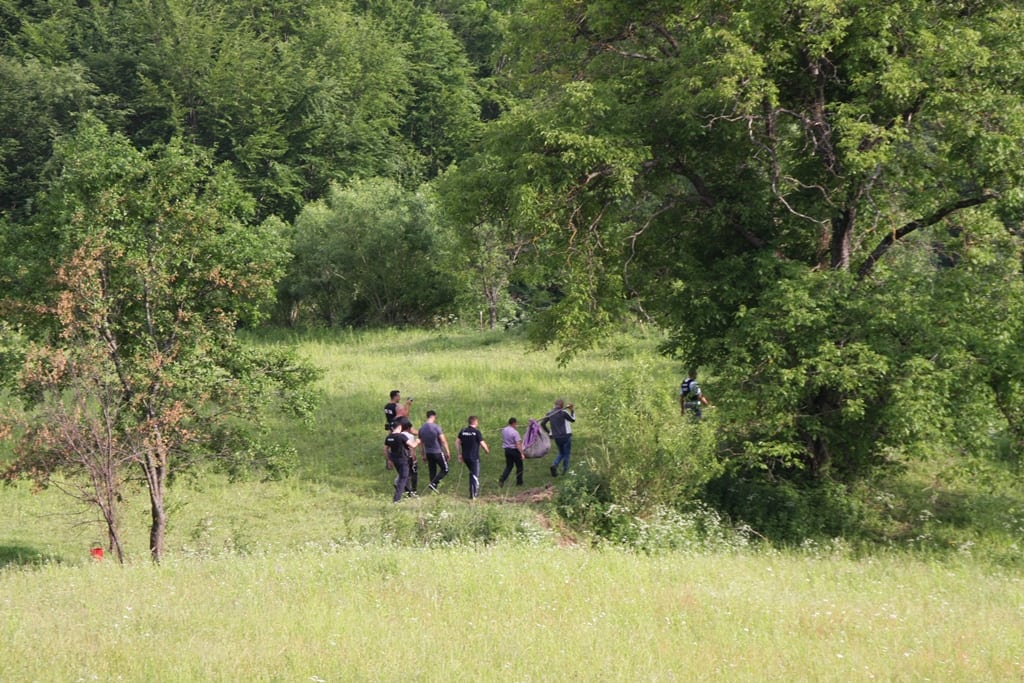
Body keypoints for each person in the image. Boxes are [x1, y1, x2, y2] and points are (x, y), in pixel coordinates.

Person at [385, 419, 420, 502]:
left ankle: (410, 494)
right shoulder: (401, 436)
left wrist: (389, 460)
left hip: (395, 459)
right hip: (403, 459)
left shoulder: (389, 437)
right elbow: (413, 445)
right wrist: (418, 441)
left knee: (404, 476)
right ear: (399, 426)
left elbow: (385, 449)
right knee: (403, 478)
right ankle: (396, 499)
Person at [456, 415, 490, 499]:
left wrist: (459, 454)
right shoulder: (476, 432)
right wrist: (486, 450)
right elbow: (482, 443)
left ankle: (472, 492)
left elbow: (457, 442)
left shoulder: (463, 431)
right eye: (477, 422)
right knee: (475, 475)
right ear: (475, 422)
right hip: (474, 457)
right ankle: (474, 495)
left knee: (472, 473)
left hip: (465, 457)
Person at [418, 410, 452, 493]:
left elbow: (420, 443)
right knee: (445, 469)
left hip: (428, 452)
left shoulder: (421, 429)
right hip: (437, 451)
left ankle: (433, 488)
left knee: (432, 470)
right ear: (433, 416)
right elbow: (443, 440)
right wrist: (447, 451)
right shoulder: (436, 427)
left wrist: (423, 454)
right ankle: (433, 483)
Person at [540, 399, 575, 476]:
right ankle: (565, 470)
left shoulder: (550, 413)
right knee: (566, 453)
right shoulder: (564, 412)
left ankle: (554, 464)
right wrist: (572, 410)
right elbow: (573, 420)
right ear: (562, 405)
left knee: (561, 452)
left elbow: (542, 423)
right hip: (566, 435)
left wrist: (549, 432)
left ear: (555, 404)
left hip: (556, 436)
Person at [498, 417, 525, 487]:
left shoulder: (504, 430)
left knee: (509, 466)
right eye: (516, 424)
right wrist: (522, 453)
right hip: (514, 451)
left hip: (507, 450)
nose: (516, 425)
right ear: (514, 423)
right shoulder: (515, 432)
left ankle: (502, 479)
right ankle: (519, 482)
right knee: (519, 466)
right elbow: (518, 444)